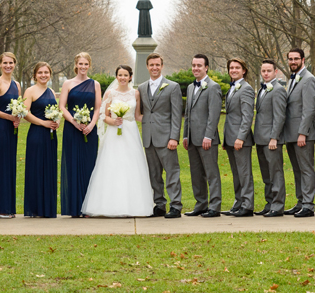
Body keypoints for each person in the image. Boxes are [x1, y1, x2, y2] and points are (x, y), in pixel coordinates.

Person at [81, 65, 153, 217]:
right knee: (112, 165)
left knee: (132, 166)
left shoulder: (136, 93)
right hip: (114, 133)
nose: (122, 78)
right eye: (120, 75)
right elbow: (104, 115)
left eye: (125, 75)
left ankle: (135, 206)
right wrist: (112, 122)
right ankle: (107, 205)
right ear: (116, 76)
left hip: (131, 132)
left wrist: (155, 119)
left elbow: (138, 115)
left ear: (130, 77)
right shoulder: (110, 93)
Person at [136, 53, 184, 218]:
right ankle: (160, 204)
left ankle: (176, 205)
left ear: (161, 66)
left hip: (166, 138)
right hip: (149, 138)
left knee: (172, 173)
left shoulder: (172, 86)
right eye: (151, 65)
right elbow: (142, 112)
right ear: (147, 67)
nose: (154, 68)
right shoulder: (142, 88)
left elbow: (177, 115)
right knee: (154, 174)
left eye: (157, 65)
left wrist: (174, 137)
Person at [59, 52, 101, 217]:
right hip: (72, 129)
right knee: (73, 165)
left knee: (88, 166)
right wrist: (74, 122)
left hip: (89, 130)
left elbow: (98, 108)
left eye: (86, 64)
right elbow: (62, 107)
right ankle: (74, 207)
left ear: (89, 65)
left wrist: (91, 125)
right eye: (80, 64)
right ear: (75, 65)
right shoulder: (67, 84)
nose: (83, 67)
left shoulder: (95, 84)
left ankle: (88, 207)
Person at [182, 54, 222, 218]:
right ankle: (201, 204)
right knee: (196, 174)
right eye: (193, 65)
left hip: (207, 139)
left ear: (206, 68)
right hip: (192, 138)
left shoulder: (213, 87)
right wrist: (185, 135)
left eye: (199, 65)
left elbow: (214, 115)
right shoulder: (191, 88)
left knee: (211, 173)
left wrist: (209, 136)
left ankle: (215, 206)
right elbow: (187, 114)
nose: (195, 68)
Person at [283, 48, 315, 218]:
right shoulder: (292, 79)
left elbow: (309, 109)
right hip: (290, 133)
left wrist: (303, 133)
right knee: (297, 170)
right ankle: (300, 202)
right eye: (290, 59)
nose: (293, 62)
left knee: (306, 169)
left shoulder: (309, 79)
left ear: (303, 60)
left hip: (302, 134)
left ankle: (308, 205)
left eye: (296, 59)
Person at [0, 52, 21, 218]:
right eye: (5, 63)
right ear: (0, 64)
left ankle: (7, 207)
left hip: (12, 130)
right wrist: (9, 117)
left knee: (9, 166)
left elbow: (19, 105)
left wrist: (18, 117)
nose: (8, 65)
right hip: (0, 128)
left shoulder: (17, 84)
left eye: (11, 63)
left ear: (15, 64)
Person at [22, 62, 60, 218]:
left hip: (50, 135)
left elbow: (54, 110)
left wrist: (56, 120)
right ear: (35, 75)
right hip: (37, 134)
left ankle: (47, 207)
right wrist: (43, 122)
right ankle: (36, 208)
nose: (43, 75)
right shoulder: (30, 91)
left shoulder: (51, 91)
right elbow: (24, 112)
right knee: (37, 168)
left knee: (48, 168)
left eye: (46, 72)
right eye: (40, 73)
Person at [253, 59, 287, 217]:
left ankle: (278, 205)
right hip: (260, 138)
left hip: (271, 140)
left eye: (268, 71)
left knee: (275, 173)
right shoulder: (262, 89)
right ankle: (269, 203)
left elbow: (279, 116)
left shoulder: (278, 90)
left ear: (276, 72)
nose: (265, 73)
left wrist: (274, 137)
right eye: (263, 70)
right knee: (266, 174)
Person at [222, 58, 255, 217]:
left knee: (244, 172)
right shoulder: (233, 87)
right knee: (236, 173)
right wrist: (226, 138)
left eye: (237, 68)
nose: (233, 70)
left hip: (240, 139)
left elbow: (247, 116)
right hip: (230, 138)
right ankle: (238, 202)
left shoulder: (246, 89)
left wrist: (241, 137)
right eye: (231, 68)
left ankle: (247, 205)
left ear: (244, 70)